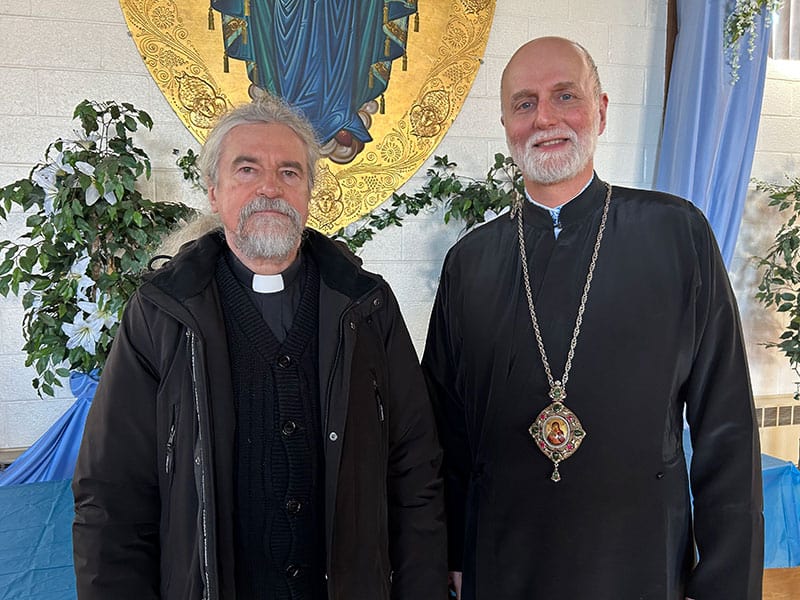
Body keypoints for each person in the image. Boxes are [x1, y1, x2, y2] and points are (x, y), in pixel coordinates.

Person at [422, 36, 763, 600]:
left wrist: (726, 583)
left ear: (600, 110)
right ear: (506, 124)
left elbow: (725, 429)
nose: (545, 118)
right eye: (524, 103)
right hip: (505, 563)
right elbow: (446, 433)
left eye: (565, 96)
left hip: (638, 564)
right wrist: (452, 557)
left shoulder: (677, 236)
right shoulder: (471, 263)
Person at [72, 97, 447, 600]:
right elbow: (112, 493)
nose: (270, 187)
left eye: (289, 172)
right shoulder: (161, 313)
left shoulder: (367, 307)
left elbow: (414, 468)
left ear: (309, 193)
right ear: (213, 191)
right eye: (247, 169)